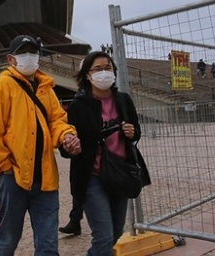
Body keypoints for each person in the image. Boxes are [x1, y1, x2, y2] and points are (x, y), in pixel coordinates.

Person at [0, 34, 80, 255]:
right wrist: (5, 168)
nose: (29, 57)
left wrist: (66, 135)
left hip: (45, 178)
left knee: (48, 243)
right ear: (11, 59)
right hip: (12, 177)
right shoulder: (1, 86)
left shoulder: (46, 88)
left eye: (33, 52)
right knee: (8, 238)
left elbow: (57, 120)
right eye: (23, 52)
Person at [63, 51, 151, 255]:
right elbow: (67, 146)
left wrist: (132, 132)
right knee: (103, 237)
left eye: (107, 68)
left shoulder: (123, 100)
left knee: (115, 234)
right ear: (87, 75)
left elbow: (136, 131)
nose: (103, 72)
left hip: (120, 172)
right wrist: (70, 145)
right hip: (92, 176)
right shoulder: (78, 106)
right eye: (97, 69)